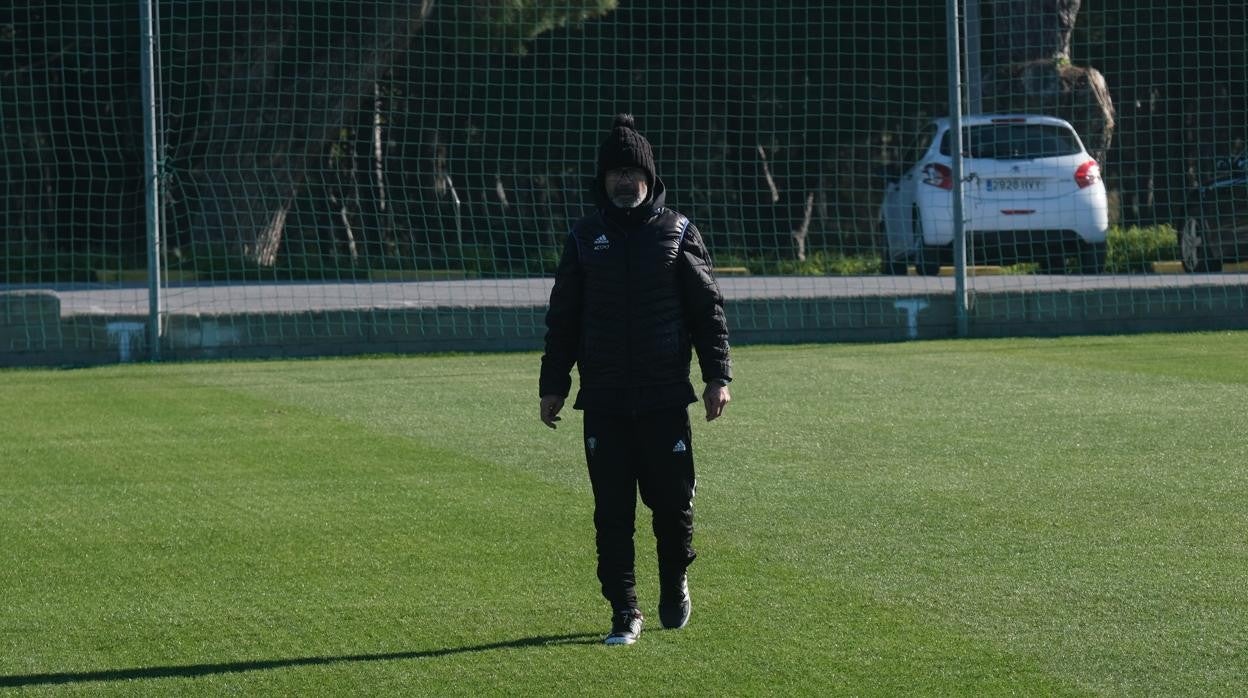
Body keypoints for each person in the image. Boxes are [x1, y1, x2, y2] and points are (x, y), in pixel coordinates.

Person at [539, 114, 732, 646]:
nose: (624, 182)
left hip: (664, 397)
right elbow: (564, 318)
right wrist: (552, 384)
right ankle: (625, 611)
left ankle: (675, 580)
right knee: (612, 513)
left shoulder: (678, 231)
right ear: (603, 181)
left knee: (671, 509)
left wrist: (717, 376)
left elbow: (707, 312)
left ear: (650, 177)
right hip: (601, 399)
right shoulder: (584, 238)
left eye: (633, 173)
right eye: (615, 174)